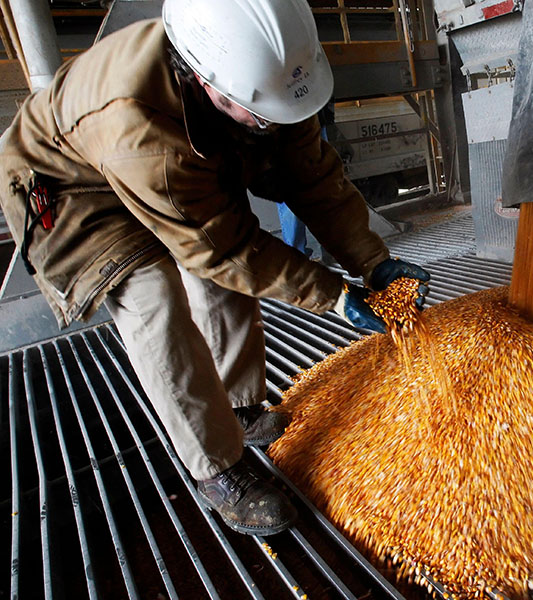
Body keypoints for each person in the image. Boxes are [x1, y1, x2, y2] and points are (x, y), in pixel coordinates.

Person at [0, 0, 430, 535]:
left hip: (173, 152)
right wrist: (334, 297)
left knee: (220, 279)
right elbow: (221, 248)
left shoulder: (265, 82)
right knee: (154, 297)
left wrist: (373, 264)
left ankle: (239, 408)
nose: (277, 123)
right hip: (71, 187)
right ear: (210, 86)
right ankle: (218, 470)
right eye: (265, 116)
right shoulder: (142, 129)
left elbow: (312, 176)